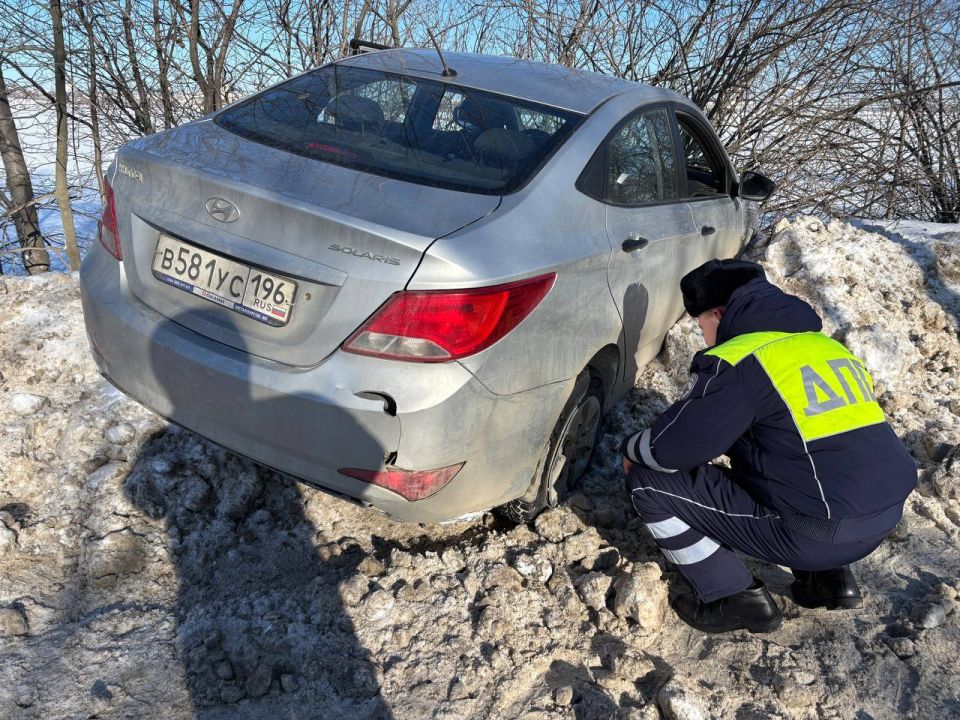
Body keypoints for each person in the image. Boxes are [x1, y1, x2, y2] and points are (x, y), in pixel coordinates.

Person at [620, 258, 917, 633]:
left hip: (819, 534)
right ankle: (828, 582)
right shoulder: (824, 348)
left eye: (702, 325)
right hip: (883, 517)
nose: (705, 336)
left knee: (649, 480)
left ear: (717, 312)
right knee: (794, 454)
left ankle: (733, 598)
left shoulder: (741, 359)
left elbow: (673, 449)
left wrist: (632, 449)